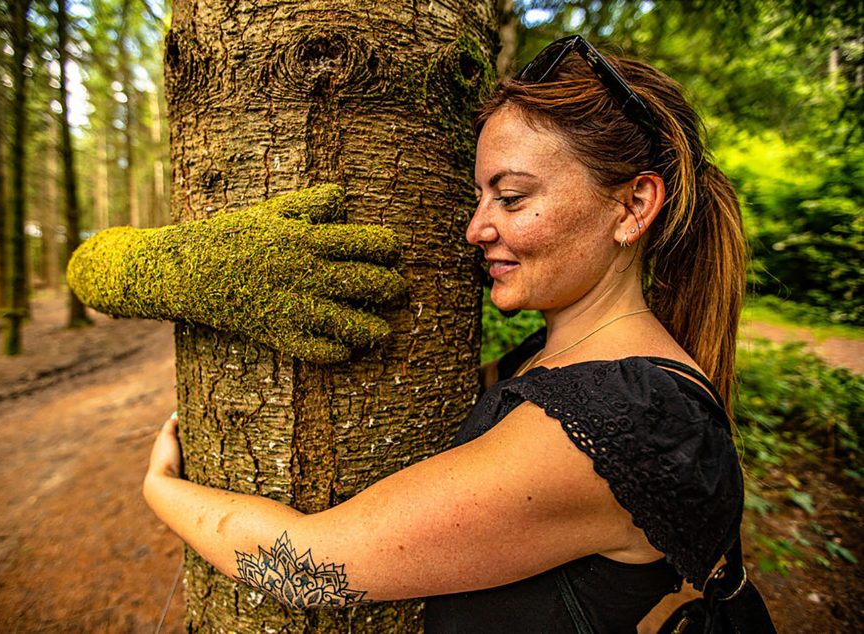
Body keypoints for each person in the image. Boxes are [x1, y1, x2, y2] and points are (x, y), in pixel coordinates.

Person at [142, 35, 748, 631]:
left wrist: (161, 487)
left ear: (634, 205)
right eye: (479, 196)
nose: (476, 228)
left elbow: (306, 565)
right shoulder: (562, 358)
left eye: (511, 198)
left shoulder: (623, 421)